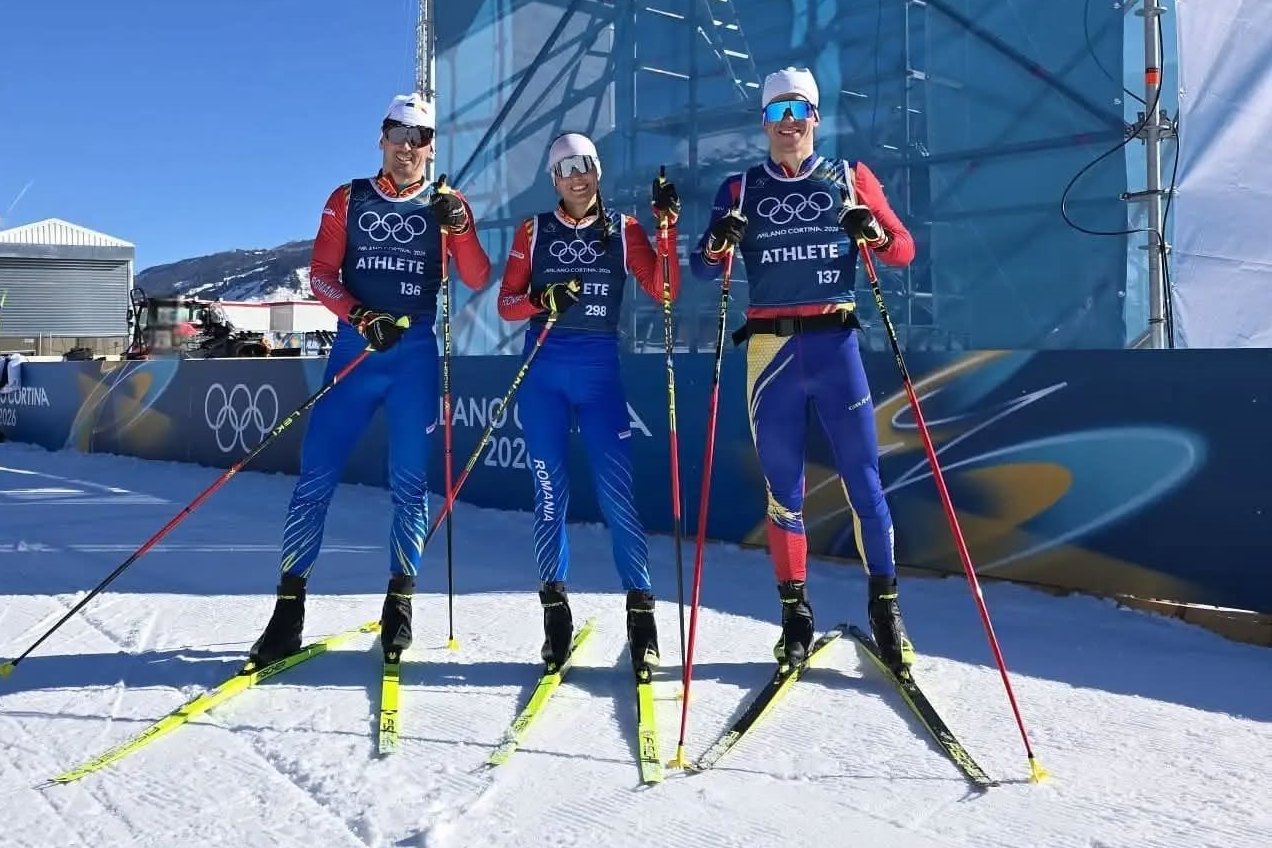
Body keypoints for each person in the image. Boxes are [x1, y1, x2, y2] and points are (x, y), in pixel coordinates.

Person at [249, 93, 491, 665]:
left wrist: (458, 225)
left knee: (410, 484)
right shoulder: (349, 197)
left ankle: (399, 605)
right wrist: (361, 317)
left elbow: (478, 276)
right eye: (398, 135)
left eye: (420, 138)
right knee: (315, 478)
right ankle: (287, 613)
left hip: (413, 358)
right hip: (356, 353)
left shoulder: (444, 202)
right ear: (381, 139)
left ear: (432, 150)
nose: (408, 147)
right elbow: (322, 277)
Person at [689, 68, 918, 673]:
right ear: (763, 121)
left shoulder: (849, 177)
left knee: (864, 482)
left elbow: (901, 250)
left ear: (816, 117)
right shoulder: (739, 188)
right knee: (783, 493)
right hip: (771, 354)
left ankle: (885, 609)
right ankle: (795, 617)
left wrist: (870, 229)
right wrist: (720, 238)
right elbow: (703, 270)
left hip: (834, 345)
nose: (788, 123)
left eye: (799, 110)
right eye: (776, 112)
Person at [496, 132, 681, 677]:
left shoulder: (623, 230)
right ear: (553, 178)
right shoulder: (533, 230)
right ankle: (556, 621)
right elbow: (507, 304)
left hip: (600, 373)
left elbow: (663, 289)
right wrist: (540, 299)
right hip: (544, 374)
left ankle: (642, 621)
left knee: (617, 494)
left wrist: (666, 228)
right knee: (550, 493)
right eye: (566, 169)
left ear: (598, 171)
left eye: (586, 166)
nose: (578, 177)